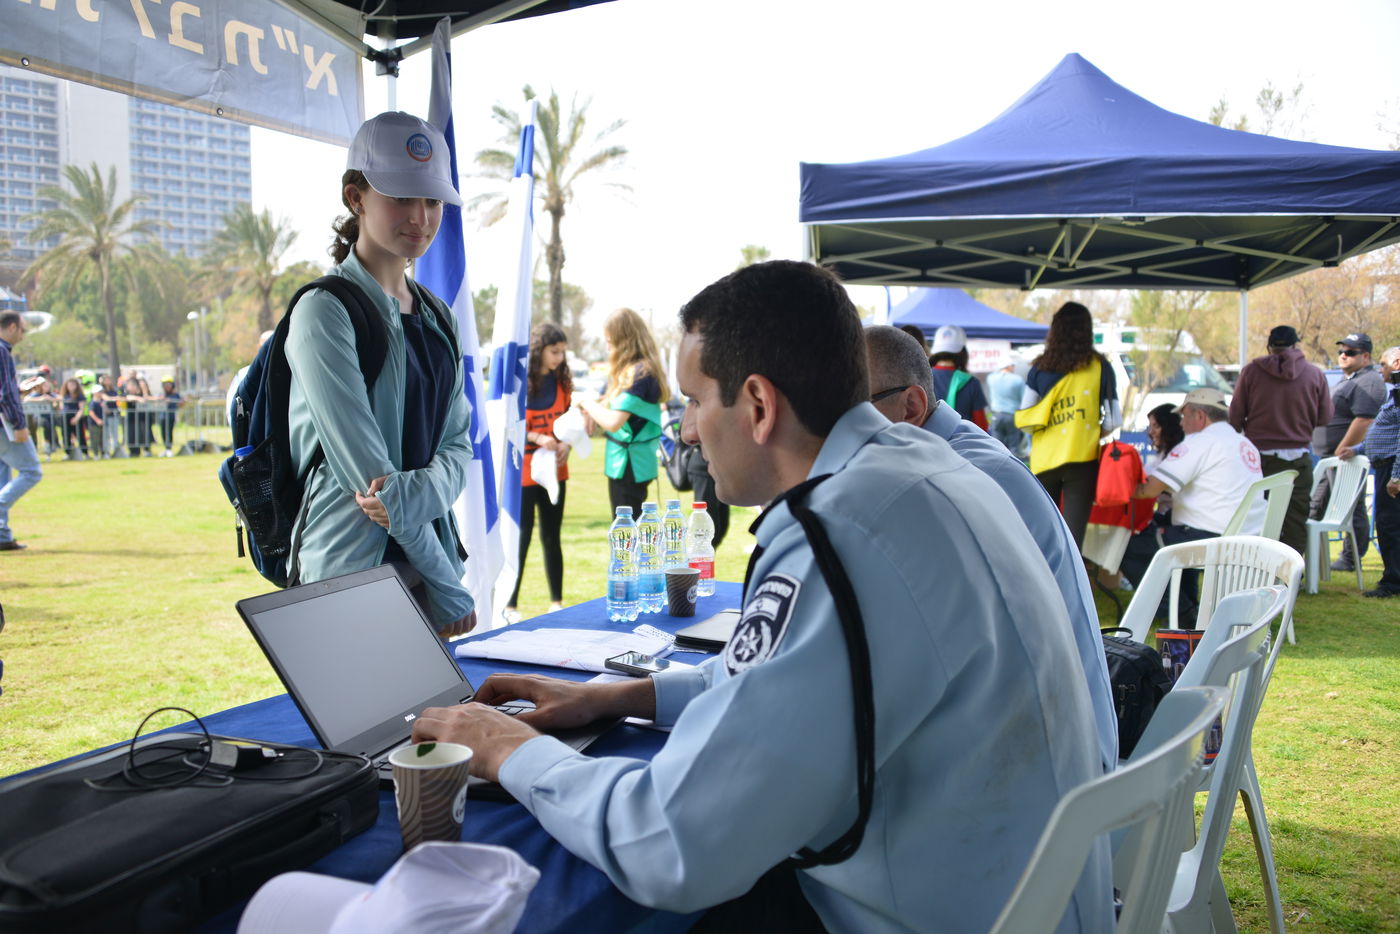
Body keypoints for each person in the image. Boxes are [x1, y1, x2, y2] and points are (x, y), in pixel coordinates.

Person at [411, 262, 1110, 933]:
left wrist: (508, 749)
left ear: (757, 405)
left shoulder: (837, 532)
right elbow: (786, 673)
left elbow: (671, 846)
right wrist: (617, 697)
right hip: (1018, 895)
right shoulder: (925, 470)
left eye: (692, 400)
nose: (683, 429)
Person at [864, 324, 1117, 772]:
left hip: (1055, 777)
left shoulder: (958, 481)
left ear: (911, 406)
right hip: (1048, 746)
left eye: (852, 414)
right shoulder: (951, 461)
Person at [283, 111, 475, 637]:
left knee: (439, 721)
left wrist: (418, 507)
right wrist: (446, 581)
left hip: (428, 566)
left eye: (432, 200)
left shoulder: (438, 315)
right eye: (400, 197)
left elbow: (458, 446)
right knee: (368, 720)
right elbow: (370, 481)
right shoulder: (324, 311)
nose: (420, 217)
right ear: (355, 198)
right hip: (350, 574)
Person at [1130, 388, 1265, 624]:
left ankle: (1182, 612)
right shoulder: (1245, 444)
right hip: (1250, 536)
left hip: (1210, 538)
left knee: (1131, 545)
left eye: (1184, 416)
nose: (1181, 424)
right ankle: (1188, 607)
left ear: (1200, 416)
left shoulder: (1199, 442)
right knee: (1174, 533)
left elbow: (1150, 490)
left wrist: (1111, 490)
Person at [1015, 301, 1121, 550]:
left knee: (1041, 538)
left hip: (1043, 461)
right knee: (1073, 542)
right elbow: (1115, 419)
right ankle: (1072, 588)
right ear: (1087, 331)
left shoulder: (1039, 368)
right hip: (1082, 460)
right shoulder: (1101, 366)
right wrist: (1093, 431)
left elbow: (1024, 418)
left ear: (1055, 331)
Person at [1228, 325, 1332, 557]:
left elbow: (1235, 416)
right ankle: (1291, 571)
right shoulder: (1314, 374)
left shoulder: (1252, 371)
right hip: (1297, 457)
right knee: (1295, 516)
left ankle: (1256, 564)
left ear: (1269, 345)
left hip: (1257, 458)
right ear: (1296, 345)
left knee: (1254, 514)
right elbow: (1325, 417)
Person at [503, 322, 574, 624]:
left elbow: (570, 423)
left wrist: (566, 444)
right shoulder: (522, 382)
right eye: (553, 351)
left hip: (556, 472)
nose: (559, 357)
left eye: (562, 352)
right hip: (525, 473)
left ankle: (556, 602)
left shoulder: (563, 383)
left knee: (551, 536)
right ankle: (510, 604)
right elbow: (509, 426)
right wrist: (537, 438)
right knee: (522, 537)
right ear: (539, 350)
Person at [577, 307, 668, 515]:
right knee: (627, 534)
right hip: (629, 463)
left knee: (626, 535)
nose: (608, 347)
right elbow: (615, 405)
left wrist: (584, 401)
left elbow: (613, 421)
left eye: (610, 341)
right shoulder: (637, 371)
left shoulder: (639, 373)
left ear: (623, 340)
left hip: (629, 464)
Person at [1312, 332, 1387, 572]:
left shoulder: (1369, 381)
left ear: (1365, 356)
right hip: (1329, 458)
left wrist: (1342, 448)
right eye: (1341, 351)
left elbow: (1364, 420)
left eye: (1350, 352)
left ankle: (1351, 558)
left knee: (1351, 508)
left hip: (1345, 458)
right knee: (1314, 507)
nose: (1343, 355)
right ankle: (1310, 559)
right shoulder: (1350, 378)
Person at [1340, 345, 1400, 599]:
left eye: (1384, 365)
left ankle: (1393, 583)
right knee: (1387, 525)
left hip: (1392, 470)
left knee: (1390, 526)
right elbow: (1387, 434)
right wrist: (1357, 449)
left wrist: (1396, 475)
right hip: (1385, 466)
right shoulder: (1394, 394)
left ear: (1398, 363)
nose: (1380, 369)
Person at [1117, 404, 1185, 589]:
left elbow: (1147, 489)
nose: (1151, 431)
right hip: (1168, 519)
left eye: (1156, 426)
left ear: (1169, 426)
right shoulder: (1164, 454)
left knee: (1125, 548)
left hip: (1173, 522)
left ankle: (1163, 604)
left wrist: (1115, 486)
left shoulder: (1178, 454)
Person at [0, 311, 42, 552]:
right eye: (23, 330)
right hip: (4, 425)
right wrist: (20, 425)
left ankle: (2, 535)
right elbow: (5, 395)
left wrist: (21, 392)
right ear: (13, 327)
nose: (23, 335)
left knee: (2, 475)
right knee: (31, 471)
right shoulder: (2, 351)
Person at [927, 324, 988, 429]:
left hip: (928, 442)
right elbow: (981, 425)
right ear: (961, 351)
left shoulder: (922, 378)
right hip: (963, 443)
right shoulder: (971, 382)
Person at [986, 359, 1027, 457]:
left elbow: (994, 373)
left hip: (997, 415)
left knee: (997, 446)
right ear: (1008, 366)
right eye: (1012, 366)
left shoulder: (991, 378)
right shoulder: (1017, 380)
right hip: (1012, 416)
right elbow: (1024, 399)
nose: (1014, 368)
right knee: (1014, 446)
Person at [157, 378, 182, 456]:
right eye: (165, 385)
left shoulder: (176, 394)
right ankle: (166, 448)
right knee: (163, 432)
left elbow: (180, 403)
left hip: (171, 416)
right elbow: (156, 403)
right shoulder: (161, 394)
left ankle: (169, 448)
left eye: (169, 384)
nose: (167, 386)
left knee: (170, 432)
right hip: (162, 416)